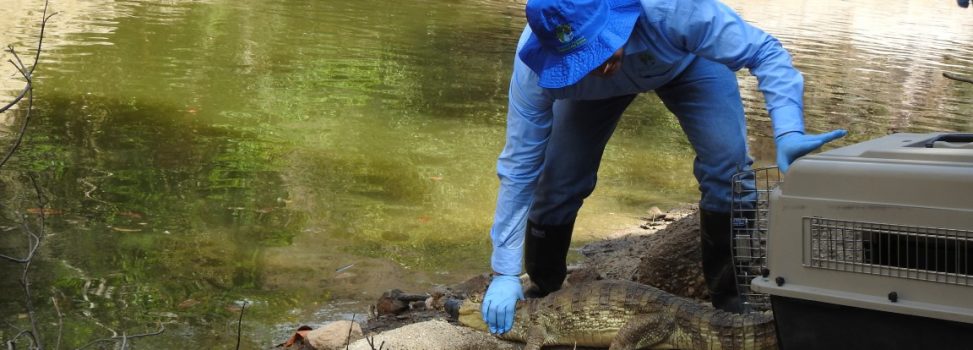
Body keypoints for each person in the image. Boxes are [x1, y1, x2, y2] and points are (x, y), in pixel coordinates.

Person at [480, 0, 847, 335]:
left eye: (602, 50)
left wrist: (788, 128)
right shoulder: (535, 69)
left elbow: (764, 51)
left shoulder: (673, 10)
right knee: (557, 185)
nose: (601, 65)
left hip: (686, 64)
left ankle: (734, 305)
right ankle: (543, 295)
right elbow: (519, 168)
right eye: (585, 58)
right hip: (587, 95)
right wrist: (505, 270)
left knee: (728, 171)